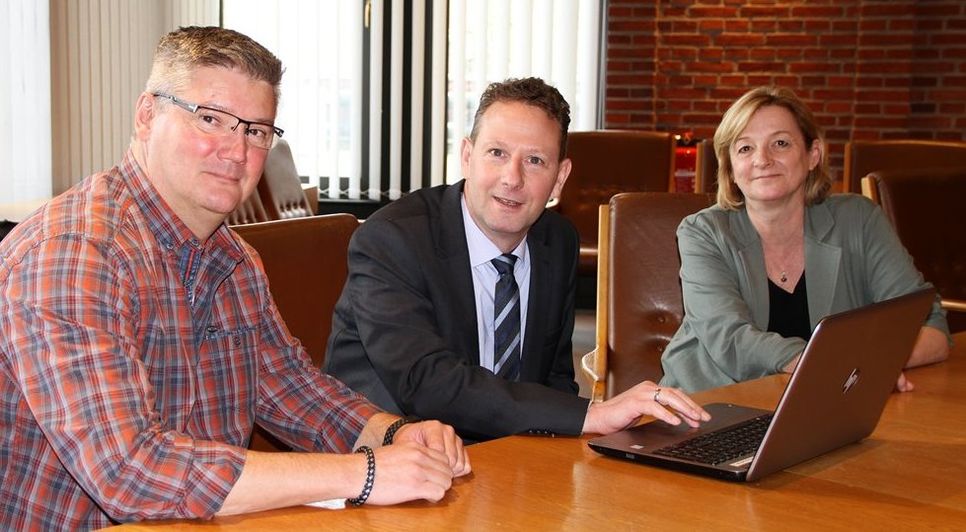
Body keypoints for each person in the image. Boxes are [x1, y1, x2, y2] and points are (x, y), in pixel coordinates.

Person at [0, 26, 469, 530]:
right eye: (211, 119)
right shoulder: (75, 253)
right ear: (146, 116)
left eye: (256, 130)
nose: (236, 150)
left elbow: (290, 388)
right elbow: (130, 475)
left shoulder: (236, 260)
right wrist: (367, 473)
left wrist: (391, 432)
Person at [324, 77, 709, 443]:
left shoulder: (556, 242)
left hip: (506, 460)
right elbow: (428, 383)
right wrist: (590, 415)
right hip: (390, 457)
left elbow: (554, 378)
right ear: (467, 156)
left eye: (536, 161)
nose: (512, 178)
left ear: (560, 178)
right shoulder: (392, 240)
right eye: (497, 153)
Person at [660, 86, 950, 393]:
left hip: (824, 408)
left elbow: (928, 325)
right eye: (745, 148)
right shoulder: (703, 232)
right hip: (708, 408)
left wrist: (866, 366)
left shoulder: (859, 219)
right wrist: (836, 366)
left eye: (780, 143)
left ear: (813, 154)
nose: (762, 159)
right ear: (730, 169)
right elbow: (729, 337)